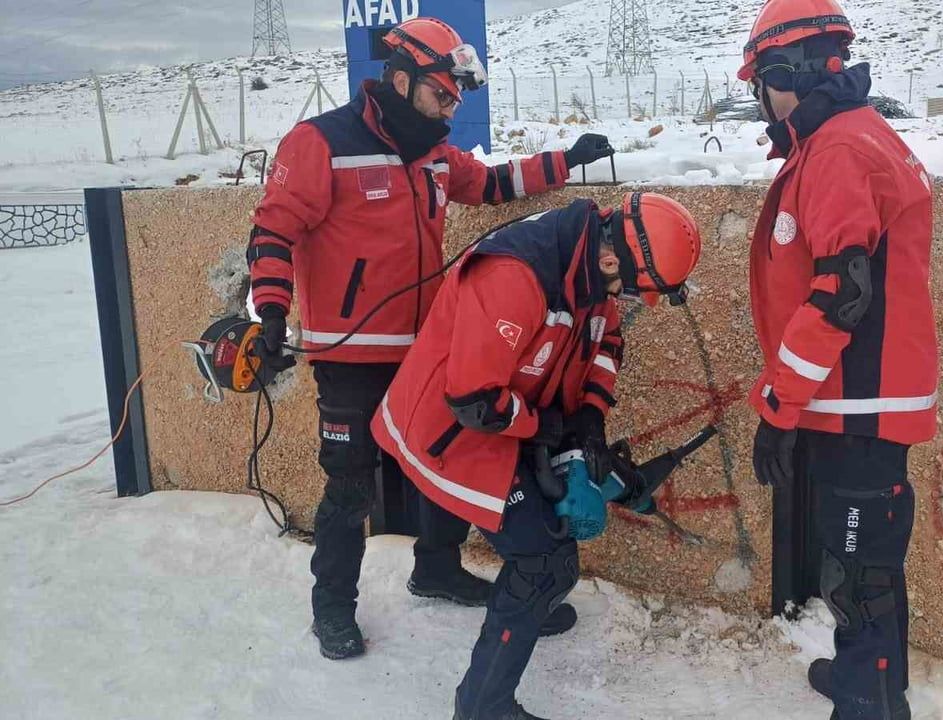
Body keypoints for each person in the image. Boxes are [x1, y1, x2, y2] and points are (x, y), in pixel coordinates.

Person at [245, 16, 615, 660]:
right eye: (442, 94)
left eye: (455, 98)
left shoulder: (436, 156)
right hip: (350, 353)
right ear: (400, 77)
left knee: (452, 455)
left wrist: (566, 160)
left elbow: (495, 184)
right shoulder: (318, 142)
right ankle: (333, 607)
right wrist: (271, 310)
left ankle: (436, 568)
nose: (450, 107)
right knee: (350, 486)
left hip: (428, 348)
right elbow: (274, 229)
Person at [371, 192, 702, 720]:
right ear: (614, 259)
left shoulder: (589, 266)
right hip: (448, 432)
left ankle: (518, 614)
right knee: (543, 558)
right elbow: (475, 400)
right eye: (634, 289)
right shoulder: (516, 278)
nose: (631, 299)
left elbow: (608, 341)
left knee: (558, 535)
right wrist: (548, 428)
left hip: (509, 423)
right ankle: (483, 707)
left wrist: (589, 416)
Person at [738, 1, 939, 718]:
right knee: (870, 566)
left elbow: (838, 296)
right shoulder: (847, 137)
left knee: (858, 576)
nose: (760, 100)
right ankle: (879, 685)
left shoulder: (839, 150)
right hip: (858, 399)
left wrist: (777, 407)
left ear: (781, 73)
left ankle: (867, 702)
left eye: (759, 82)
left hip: (857, 400)